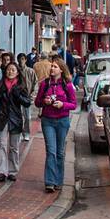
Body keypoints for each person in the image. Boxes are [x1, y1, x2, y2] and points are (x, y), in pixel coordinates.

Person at [34, 57, 76, 194]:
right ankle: (50, 182)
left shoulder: (67, 85)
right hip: (48, 121)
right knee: (51, 151)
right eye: (52, 66)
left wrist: (63, 105)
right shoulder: (45, 84)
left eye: (55, 67)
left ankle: (58, 180)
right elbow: (37, 102)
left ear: (61, 70)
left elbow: (74, 104)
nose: (52, 68)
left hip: (62, 121)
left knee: (60, 152)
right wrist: (45, 102)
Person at [0, 62, 32, 182]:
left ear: (17, 72)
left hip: (15, 118)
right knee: (2, 145)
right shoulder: (0, 84)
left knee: (14, 147)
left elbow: (27, 102)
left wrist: (18, 96)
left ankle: (13, 171)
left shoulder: (20, 85)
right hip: (2, 117)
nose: (10, 72)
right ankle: (1, 171)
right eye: (8, 70)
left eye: (13, 70)